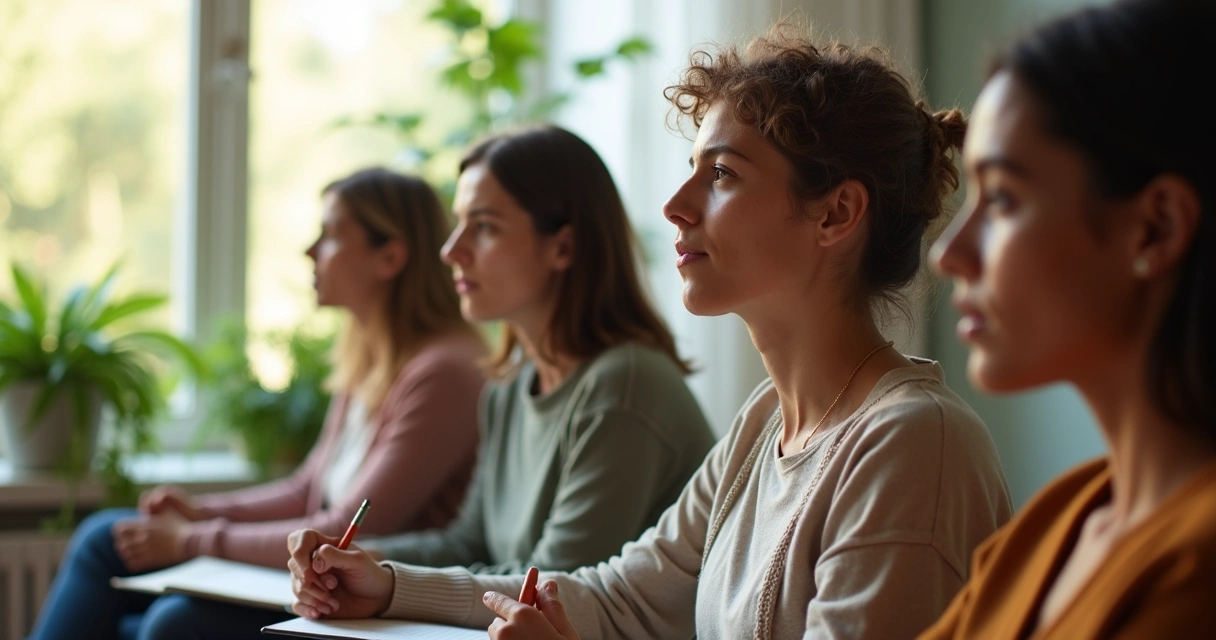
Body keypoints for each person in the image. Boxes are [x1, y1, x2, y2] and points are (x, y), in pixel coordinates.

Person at [288, 29, 1013, 639]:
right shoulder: (764, 426)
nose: (675, 206)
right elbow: (618, 596)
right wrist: (384, 586)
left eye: (722, 174)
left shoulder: (911, 445)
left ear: (835, 214)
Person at [28, 168, 487, 640]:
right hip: (320, 580)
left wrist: (190, 540)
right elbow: (306, 490)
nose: (310, 251)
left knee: (164, 615)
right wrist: (200, 512)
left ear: (389, 256)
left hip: (374, 595)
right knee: (110, 545)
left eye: (330, 235)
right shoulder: (371, 359)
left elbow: (343, 528)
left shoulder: (442, 373)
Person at [288, 126, 716, 586]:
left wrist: (391, 585)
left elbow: (553, 589)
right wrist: (356, 558)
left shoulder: (625, 385)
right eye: (459, 224)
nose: (452, 251)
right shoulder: (509, 388)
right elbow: (468, 544)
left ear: (563, 247)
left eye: (485, 227)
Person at [919, 1, 1216, 638]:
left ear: (1156, 227)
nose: (949, 254)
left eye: (1001, 199)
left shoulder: (1197, 569)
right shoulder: (1060, 516)